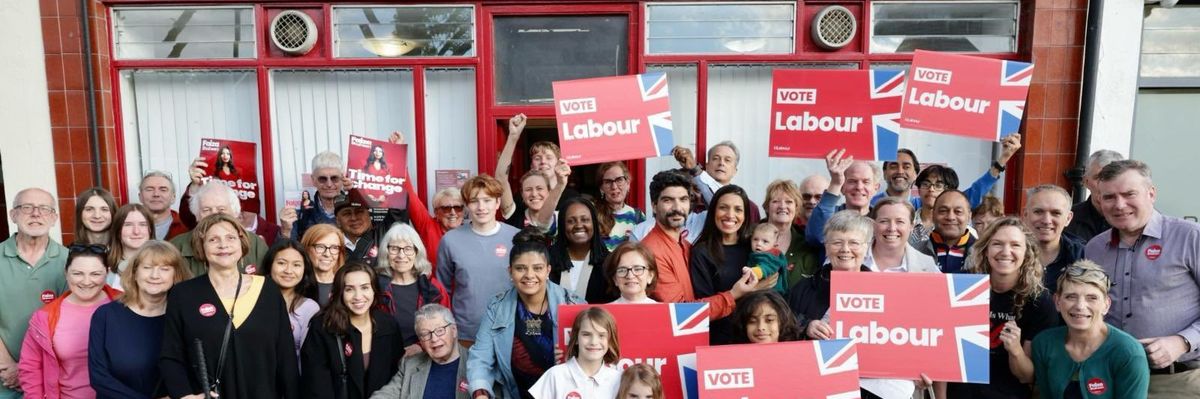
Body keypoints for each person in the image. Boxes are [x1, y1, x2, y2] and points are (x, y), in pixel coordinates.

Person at [1084, 160, 1200, 396]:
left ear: (1151, 193)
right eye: (1109, 197)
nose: (1119, 204)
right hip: (1112, 378)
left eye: (1129, 194)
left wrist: (1182, 342)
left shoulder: (1190, 237)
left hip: (1177, 381)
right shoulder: (1094, 248)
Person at [159, 213, 299, 399]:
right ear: (202, 246)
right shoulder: (184, 295)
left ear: (242, 243)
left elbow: (286, 357)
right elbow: (171, 355)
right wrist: (185, 395)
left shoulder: (268, 290)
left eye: (230, 238)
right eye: (213, 239)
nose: (223, 245)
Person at [790, 211, 916, 399]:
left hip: (876, 391)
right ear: (826, 246)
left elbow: (908, 340)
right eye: (837, 242)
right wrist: (806, 326)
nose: (845, 249)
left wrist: (919, 368)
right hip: (820, 386)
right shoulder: (804, 289)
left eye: (854, 243)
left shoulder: (888, 291)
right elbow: (782, 329)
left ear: (866, 247)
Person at [466, 229, 584, 399]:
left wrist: (575, 357)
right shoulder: (497, 307)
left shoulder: (574, 304)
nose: (529, 275)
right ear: (510, 271)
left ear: (548, 270)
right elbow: (480, 357)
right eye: (520, 268)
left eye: (537, 268)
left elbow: (597, 356)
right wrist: (480, 392)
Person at [946, 217, 1058, 399]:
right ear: (986, 249)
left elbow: (1027, 376)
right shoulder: (961, 285)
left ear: (1026, 252)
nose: (1006, 252)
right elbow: (944, 357)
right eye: (997, 244)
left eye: (1015, 245)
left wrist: (1015, 350)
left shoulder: (1039, 300)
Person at [641, 171, 754, 323]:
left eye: (683, 199)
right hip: (679, 340)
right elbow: (680, 313)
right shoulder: (651, 251)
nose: (677, 207)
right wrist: (732, 295)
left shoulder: (685, 245)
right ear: (654, 206)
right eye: (668, 200)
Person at [1031, 260, 1150, 398]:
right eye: (1071, 297)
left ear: (1106, 304)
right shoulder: (1044, 343)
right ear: (1057, 301)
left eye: (1092, 298)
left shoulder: (1128, 352)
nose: (1080, 306)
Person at [89, 241, 191, 399]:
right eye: (147, 268)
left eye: (164, 269)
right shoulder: (106, 316)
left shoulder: (185, 318)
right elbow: (99, 377)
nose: (154, 275)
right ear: (135, 273)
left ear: (175, 275)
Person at [18, 244, 121, 398]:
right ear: (66, 273)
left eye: (95, 274)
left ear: (106, 273)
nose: (86, 281)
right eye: (78, 273)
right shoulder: (45, 317)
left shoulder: (126, 304)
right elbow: (30, 368)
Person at [436, 174, 520, 346]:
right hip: (465, 333)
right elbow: (442, 290)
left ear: (497, 203)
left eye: (487, 200)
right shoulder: (450, 240)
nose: (481, 207)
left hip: (510, 330)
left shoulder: (516, 238)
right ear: (467, 205)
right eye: (474, 201)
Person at [1, 188, 69, 398]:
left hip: (53, 379)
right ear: (13, 215)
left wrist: (31, 371)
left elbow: (71, 324)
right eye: (27, 207)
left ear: (54, 218)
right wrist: (8, 367)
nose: (36, 214)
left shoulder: (70, 261)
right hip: (5, 380)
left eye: (44, 209)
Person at [301, 262, 404, 399]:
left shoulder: (388, 325)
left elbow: (396, 376)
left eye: (365, 288)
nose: (358, 296)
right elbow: (316, 385)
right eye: (349, 289)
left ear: (374, 290)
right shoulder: (323, 327)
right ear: (340, 293)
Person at [690, 184, 765, 344]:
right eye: (723, 208)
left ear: (745, 215)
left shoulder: (753, 247)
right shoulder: (701, 252)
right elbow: (703, 306)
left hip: (756, 337)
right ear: (713, 212)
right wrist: (736, 293)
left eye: (738, 209)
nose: (730, 215)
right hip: (719, 339)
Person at [871, 136, 1022, 209]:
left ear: (916, 174)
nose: (900, 171)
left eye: (906, 166)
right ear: (884, 173)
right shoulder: (870, 205)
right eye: (893, 166)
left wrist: (1003, 159)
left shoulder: (924, 205)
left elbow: (973, 193)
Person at [170, 182, 269, 277]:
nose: (214, 214)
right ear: (196, 215)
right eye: (206, 210)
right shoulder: (177, 246)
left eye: (221, 209)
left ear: (235, 212)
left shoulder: (256, 244)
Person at [377, 223, 450, 353]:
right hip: (385, 358)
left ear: (417, 252)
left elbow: (447, 328)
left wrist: (420, 346)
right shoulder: (376, 288)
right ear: (386, 252)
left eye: (408, 248)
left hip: (426, 358)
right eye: (394, 248)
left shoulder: (433, 288)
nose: (401, 255)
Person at [370, 304, 469, 399]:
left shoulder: (476, 364)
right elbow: (386, 394)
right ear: (420, 341)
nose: (434, 339)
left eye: (439, 330)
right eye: (425, 334)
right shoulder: (410, 365)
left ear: (454, 330)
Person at [529, 307, 622, 399]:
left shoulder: (619, 380)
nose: (594, 342)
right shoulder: (555, 376)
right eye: (586, 334)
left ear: (609, 340)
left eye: (601, 335)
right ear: (576, 338)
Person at [805, 149, 883, 247]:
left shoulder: (882, 218)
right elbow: (816, 238)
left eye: (866, 182)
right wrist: (835, 183)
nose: (859, 187)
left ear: (876, 188)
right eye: (852, 181)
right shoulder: (830, 214)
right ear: (842, 188)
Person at [258, 239, 320, 358]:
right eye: (281, 263)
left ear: (304, 270)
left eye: (296, 265)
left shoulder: (310, 308)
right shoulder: (252, 301)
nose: (288, 271)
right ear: (269, 265)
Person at [670, 143, 763, 220]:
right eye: (716, 158)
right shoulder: (689, 201)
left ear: (735, 171)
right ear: (706, 165)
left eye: (727, 160)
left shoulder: (748, 207)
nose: (721, 163)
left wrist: (695, 169)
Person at [549, 198, 615, 304]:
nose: (579, 225)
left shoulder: (610, 262)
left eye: (585, 220)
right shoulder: (547, 258)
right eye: (571, 221)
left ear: (594, 223)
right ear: (562, 225)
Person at [1021, 185, 1084, 294]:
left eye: (1056, 213)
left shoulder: (1082, 256)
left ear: (1068, 218)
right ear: (1026, 215)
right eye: (1038, 212)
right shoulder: (1009, 253)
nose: (1046, 220)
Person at [761, 179, 821, 288]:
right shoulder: (750, 237)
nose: (782, 206)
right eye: (776, 201)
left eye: (789, 202)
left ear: (797, 207)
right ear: (766, 207)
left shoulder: (807, 245)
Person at [280, 152, 348, 240]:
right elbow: (287, 251)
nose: (329, 184)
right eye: (322, 179)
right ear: (313, 180)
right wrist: (285, 231)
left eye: (334, 178)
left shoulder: (356, 208)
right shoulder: (300, 213)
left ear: (343, 178)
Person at [864, 197, 939, 273]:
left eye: (900, 222)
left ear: (911, 226)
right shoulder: (854, 256)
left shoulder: (928, 266)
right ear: (873, 225)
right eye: (884, 221)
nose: (892, 228)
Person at [1064, 149, 1123, 242]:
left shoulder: (1132, 219)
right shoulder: (1067, 218)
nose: (1105, 185)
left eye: (1111, 178)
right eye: (1098, 178)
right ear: (1085, 181)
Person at [914, 190, 977, 273]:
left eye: (958, 212)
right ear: (933, 215)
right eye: (943, 211)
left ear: (969, 216)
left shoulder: (983, 254)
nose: (951, 217)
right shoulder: (914, 252)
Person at [596, 162, 646, 251]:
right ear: (601, 188)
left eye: (619, 180)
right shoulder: (592, 213)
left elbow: (644, 250)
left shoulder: (637, 216)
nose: (614, 187)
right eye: (608, 182)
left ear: (628, 184)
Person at [105, 204, 154, 290]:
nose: (136, 231)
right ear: (118, 231)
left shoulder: (165, 264)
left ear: (150, 230)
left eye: (142, 224)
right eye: (128, 225)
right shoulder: (103, 267)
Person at [732, 291, 802, 344]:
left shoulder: (798, 353)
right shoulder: (734, 357)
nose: (761, 327)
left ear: (782, 321)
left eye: (769, 320)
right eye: (752, 321)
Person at [303, 223, 347, 307]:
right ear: (307, 249)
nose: (327, 254)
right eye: (320, 247)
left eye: (334, 248)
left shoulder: (346, 283)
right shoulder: (297, 285)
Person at [138, 170, 189, 240]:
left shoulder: (186, 226)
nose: (156, 194)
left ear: (173, 197)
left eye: (163, 190)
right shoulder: (126, 228)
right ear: (140, 196)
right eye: (149, 189)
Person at [747, 223, 787, 294]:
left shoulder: (771, 256)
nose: (759, 243)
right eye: (755, 239)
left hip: (773, 294)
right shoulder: (756, 253)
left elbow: (767, 267)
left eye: (765, 241)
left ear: (774, 245)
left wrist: (753, 272)